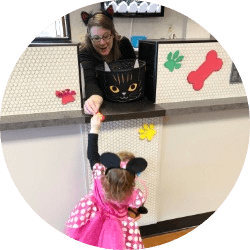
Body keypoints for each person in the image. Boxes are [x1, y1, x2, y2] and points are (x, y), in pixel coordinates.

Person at [65, 113, 148, 249]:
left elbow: (92, 155)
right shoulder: (134, 195)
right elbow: (138, 207)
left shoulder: (99, 180)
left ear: (107, 169)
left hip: (95, 222)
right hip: (120, 227)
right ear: (133, 177)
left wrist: (95, 128)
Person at [79, 5, 136, 115]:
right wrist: (95, 98)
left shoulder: (124, 44)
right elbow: (90, 79)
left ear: (113, 34)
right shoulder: (85, 52)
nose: (102, 42)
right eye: (96, 38)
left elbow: (134, 74)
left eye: (106, 36)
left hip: (127, 100)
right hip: (103, 102)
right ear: (90, 39)